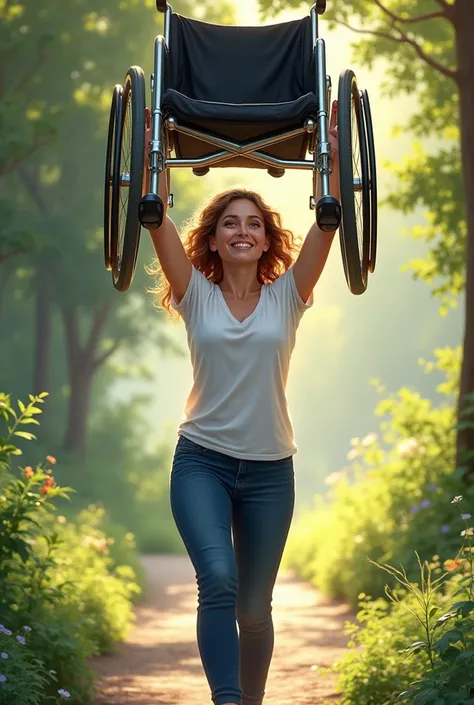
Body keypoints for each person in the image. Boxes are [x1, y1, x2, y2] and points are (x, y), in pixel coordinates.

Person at [144, 101, 340, 705]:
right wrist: (153, 162)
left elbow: (326, 227)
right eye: (231, 221)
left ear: (266, 238)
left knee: (255, 611)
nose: (243, 231)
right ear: (215, 235)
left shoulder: (289, 296)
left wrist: (332, 155)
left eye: (254, 223)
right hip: (201, 460)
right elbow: (158, 222)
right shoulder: (193, 294)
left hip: (269, 470)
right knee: (220, 582)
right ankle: (226, 700)